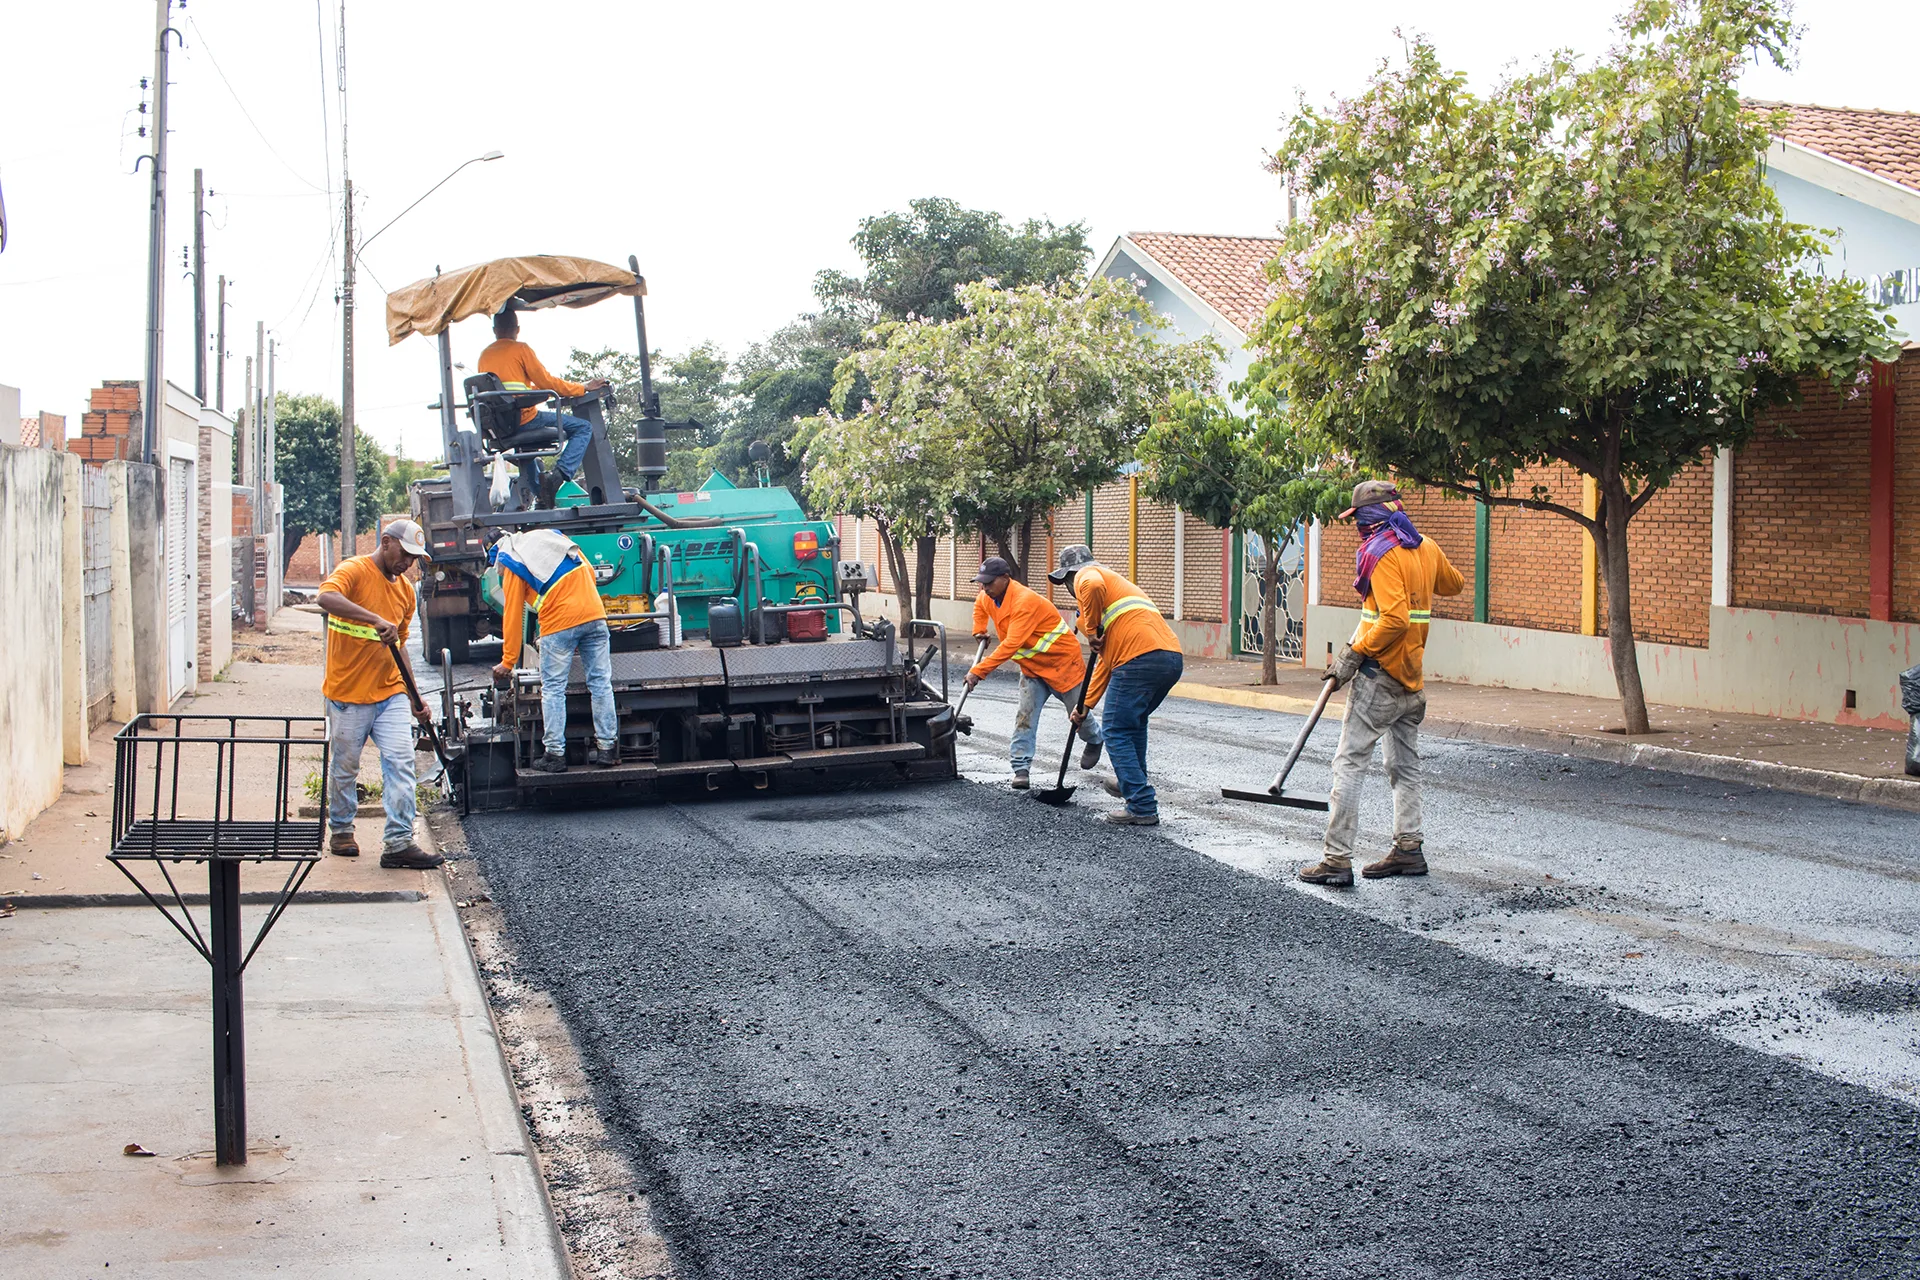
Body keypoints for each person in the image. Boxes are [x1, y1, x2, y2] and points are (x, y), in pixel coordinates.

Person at [1298, 480, 1465, 888]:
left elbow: (1394, 620)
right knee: (1404, 766)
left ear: (1369, 517)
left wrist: (1353, 656)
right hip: (1412, 679)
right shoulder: (1422, 545)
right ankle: (1409, 848)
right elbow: (1454, 584)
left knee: (1349, 763)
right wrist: (1422, 567)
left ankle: (1336, 858)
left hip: (1381, 677)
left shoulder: (1382, 553)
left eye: (1358, 519)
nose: (1358, 527)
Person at [316, 519, 442, 870]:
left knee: (401, 763)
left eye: (415, 559)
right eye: (405, 554)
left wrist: (416, 698)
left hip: (390, 694)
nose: (408, 564)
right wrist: (373, 619)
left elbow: (401, 648)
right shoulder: (354, 571)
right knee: (345, 767)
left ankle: (399, 842)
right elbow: (325, 597)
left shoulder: (405, 592)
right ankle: (341, 830)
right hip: (349, 693)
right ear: (386, 543)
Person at [1049, 545, 1184, 826]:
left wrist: (1094, 627)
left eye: (1065, 584)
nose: (1069, 589)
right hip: (1168, 658)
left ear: (1069, 577)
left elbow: (1092, 583)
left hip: (1138, 659)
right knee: (1132, 723)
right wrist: (1082, 707)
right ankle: (1130, 781)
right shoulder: (1120, 597)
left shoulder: (1089, 575)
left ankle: (1142, 804)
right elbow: (1104, 668)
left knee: (1116, 728)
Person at [964, 556, 1103, 789]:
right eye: (982, 583)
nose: (984, 588)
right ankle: (1021, 768)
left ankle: (1095, 739)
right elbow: (979, 606)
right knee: (1025, 715)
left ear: (1005, 579)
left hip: (1062, 665)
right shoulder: (989, 596)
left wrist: (979, 671)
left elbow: (1011, 645)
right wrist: (979, 630)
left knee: (1078, 714)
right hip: (1032, 668)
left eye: (988, 583)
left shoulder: (1023, 602)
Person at [489, 528, 619, 772]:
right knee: (601, 684)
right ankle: (607, 749)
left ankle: (555, 755)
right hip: (595, 614)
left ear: (495, 551)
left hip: (559, 623)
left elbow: (513, 613)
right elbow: (588, 570)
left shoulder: (511, 557)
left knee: (553, 689)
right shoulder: (550, 538)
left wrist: (508, 662)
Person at [478, 307, 609, 509]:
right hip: (524, 419)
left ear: (494, 330)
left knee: (528, 451)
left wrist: (538, 391)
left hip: (499, 427)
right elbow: (547, 382)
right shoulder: (521, 349)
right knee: (583, 428)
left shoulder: (484, 355)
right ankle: (558, 476)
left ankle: (543, 496)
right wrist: (582, 387)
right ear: (517, 329)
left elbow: (508, 390)